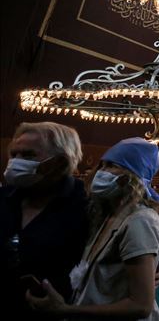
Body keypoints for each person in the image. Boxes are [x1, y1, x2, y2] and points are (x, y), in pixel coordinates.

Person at [26, 137, 159, 319]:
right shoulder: (106, 214)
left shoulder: (140, 220)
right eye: (102, 165)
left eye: (112, 166)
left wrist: (66, 310)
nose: (102, 172)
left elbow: (141, 306)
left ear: (131, 177)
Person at [1, 122, 88, 320]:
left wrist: (153, 265)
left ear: (60, 161)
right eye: (14, 155)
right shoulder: (3, 198)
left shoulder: (88, 207)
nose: (16, 162)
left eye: (29, 155)